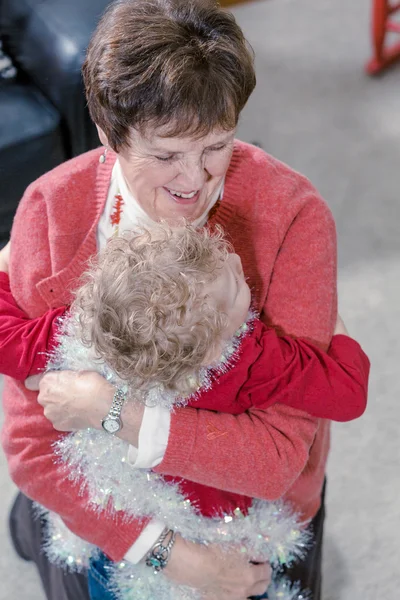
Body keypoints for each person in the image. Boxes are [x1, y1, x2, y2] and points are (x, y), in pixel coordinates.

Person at [1, 1, 348, 599]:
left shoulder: (294, 216)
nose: (195, 180)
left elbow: (276, 456)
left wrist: (112, 409)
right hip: (110, 502)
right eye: (165, 154)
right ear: (108, 136)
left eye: (217, 145)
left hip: (253, 517)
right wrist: (168, 554)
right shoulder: (51, 211)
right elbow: (32, 444)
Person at [0, 222, 369, 600]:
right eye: (238, 288)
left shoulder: (79, 335)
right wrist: (335, 329)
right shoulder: (249, 363)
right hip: (219, 532)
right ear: (212, 350)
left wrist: (5, 263)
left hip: (125, 514)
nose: (238, 262)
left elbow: (7, 340)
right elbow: (347, 394)